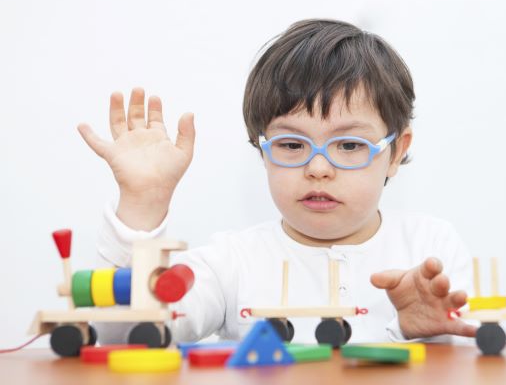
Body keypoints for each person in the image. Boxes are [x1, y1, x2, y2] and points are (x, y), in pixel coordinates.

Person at [78, 19, 476, 345]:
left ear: (395, 151)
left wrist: (409, 329)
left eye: (350, 144)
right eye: (291, 143)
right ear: (261, 148)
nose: (318, 168)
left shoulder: (431, 249)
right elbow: (127, 335)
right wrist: (142, 202)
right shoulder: (229, 262)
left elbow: (467, 351)